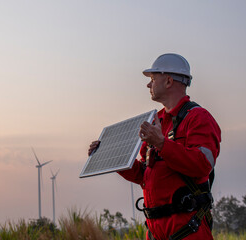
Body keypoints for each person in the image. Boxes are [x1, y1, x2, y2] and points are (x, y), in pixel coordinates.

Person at [88, 53, 221, 240]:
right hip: (155, 231)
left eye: (152, 79)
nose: (148, 85)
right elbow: (145, 175)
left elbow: (202, 165)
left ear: (168, 81)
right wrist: (112, 157)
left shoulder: (198, 118)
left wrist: (161, 143)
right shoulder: (155, 121)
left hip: (188, 229)